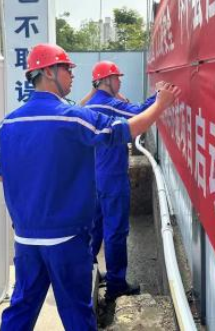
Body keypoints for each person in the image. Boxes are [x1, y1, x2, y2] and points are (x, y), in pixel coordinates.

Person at [0, 43, 180, 331]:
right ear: (48, 72)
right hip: (66, 239)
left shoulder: (6, 125)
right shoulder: (72, 117)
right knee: (77, 314)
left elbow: (1, 176)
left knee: (21, 309)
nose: (72, 75)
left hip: (26, 240)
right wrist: (161, 104)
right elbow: (125, 130)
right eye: (67, 68)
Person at [82, 60, 159, 300]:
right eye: (116, 77)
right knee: (115, 230)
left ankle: (86, 273)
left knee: (94, 228)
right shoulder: (110, 105)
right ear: (106, 80)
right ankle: (116, 284)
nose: (119, 82)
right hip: (112, 177)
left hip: (94, 177)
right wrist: (160, 96)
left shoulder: (89, 105)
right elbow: (138, 113)